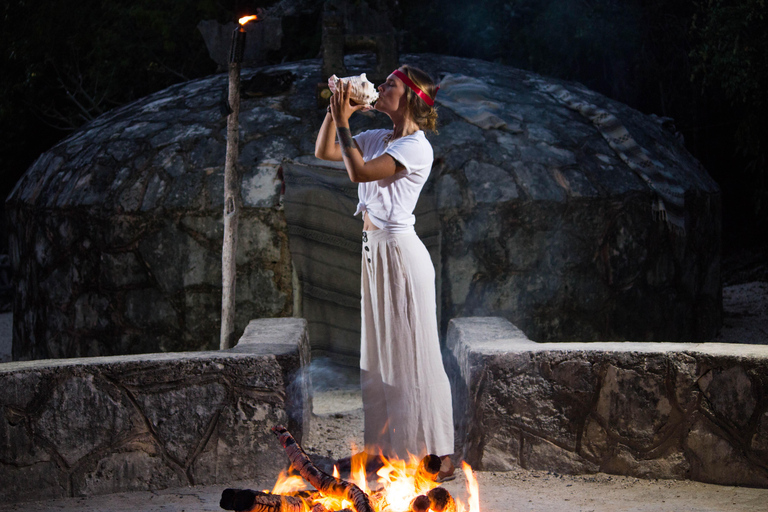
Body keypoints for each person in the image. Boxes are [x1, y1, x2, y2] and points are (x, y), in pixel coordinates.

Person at [314, 65, 455, 481]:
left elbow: (359, 172)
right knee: (378, 357)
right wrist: (337, 110)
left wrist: (343, 121)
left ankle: (439, 454)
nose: (382, 87)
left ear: (410, 97)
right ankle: (386, 450)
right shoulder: (379, 138)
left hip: (400, 255)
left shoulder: (415, 147)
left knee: (415, 354)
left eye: (390, 84)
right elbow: (326, 152)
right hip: (374, 253)